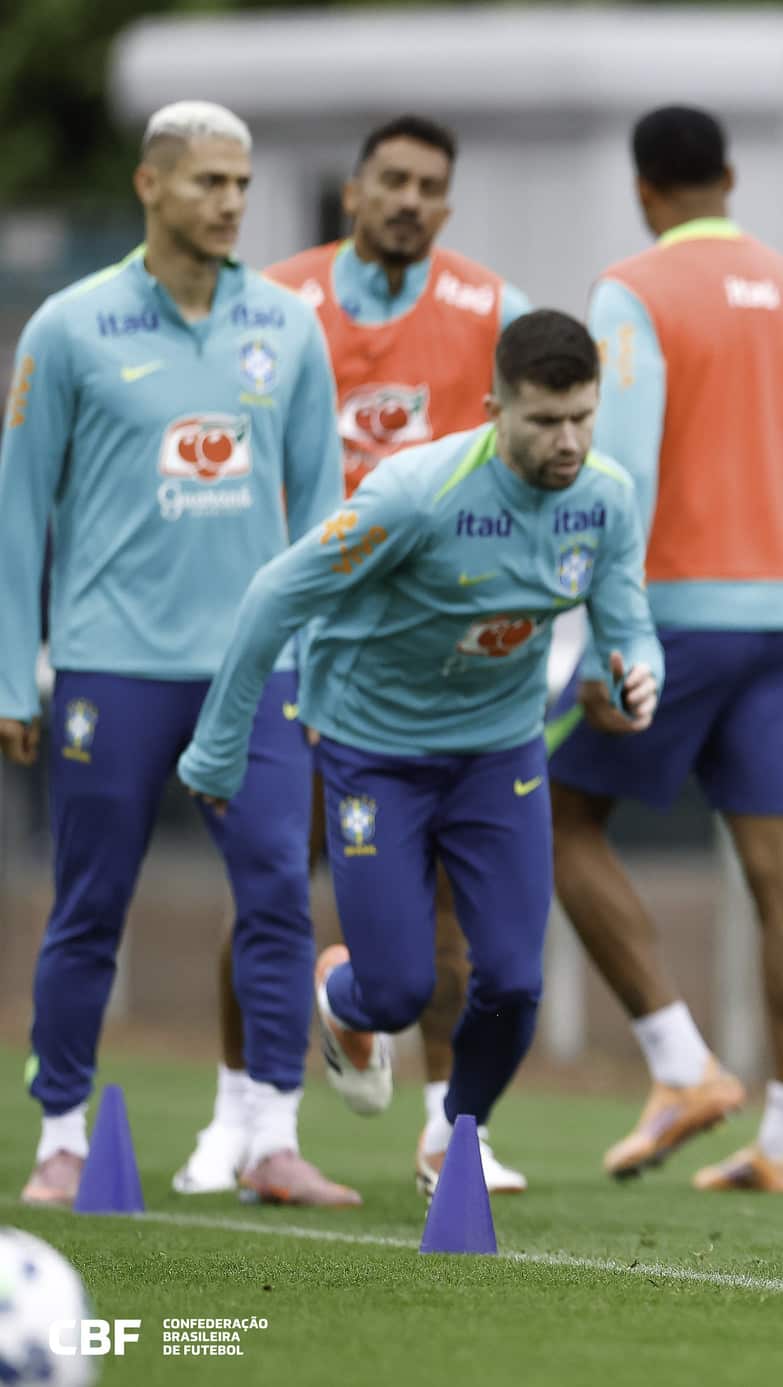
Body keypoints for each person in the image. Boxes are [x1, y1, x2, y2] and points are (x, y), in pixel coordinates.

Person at [177, 310, 662, 1195]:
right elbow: (274, 595)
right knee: (398, 989)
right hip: (376, 751)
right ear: (493, 408)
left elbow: (627, 622)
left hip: (497, 752)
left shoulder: (608, 497)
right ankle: (346, 996)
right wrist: (220, 743)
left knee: (513, 981)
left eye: (583, 418)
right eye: (545, 420)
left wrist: (638, 672)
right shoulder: (416, 494)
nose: (568, 441)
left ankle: (453, 1137)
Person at [2, 100, 354, 1208]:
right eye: (209, 182)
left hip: (253, 677)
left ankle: (271, 1138)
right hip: (109, 669)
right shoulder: (67, 326)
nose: (233, 203)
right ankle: (61, 1134)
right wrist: (17, 670)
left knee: (278, 900)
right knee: (89, 904)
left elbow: (326, 517)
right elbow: (18, 511)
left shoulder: (288, 327)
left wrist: (323, 666)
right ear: (151, 186)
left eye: (243, 184)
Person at [178, 113, 536, 1199]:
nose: (410, 200)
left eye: (431, 184)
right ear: (353, 191)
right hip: (303, 633)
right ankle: (239, 1117)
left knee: (447, 908)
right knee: (274, 881)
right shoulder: (276, 303)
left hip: (425, 656)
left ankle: (446, 1126)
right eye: (392, 179)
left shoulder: (493, 311)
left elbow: (546, 448)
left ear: (448, 202)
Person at [545, 105, 783, 1194]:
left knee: (559, 817)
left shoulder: (634, 289)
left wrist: (601, 629)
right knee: (780, 875)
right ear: (728, 177)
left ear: (643, 190)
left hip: (671, 614)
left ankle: (680, 1064)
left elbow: (612, 462)